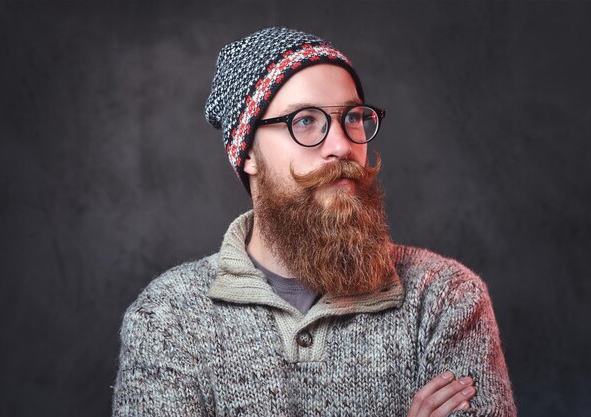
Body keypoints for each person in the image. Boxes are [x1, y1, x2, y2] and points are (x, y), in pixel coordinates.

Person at [112, 27, 516, 416]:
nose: (342, 145)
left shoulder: (445, 300)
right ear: (248, 152)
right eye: (305, 120)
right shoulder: (168, 319)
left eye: (354, 118)